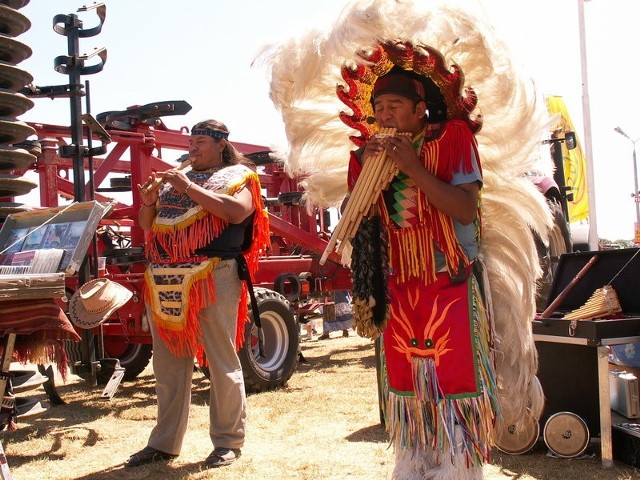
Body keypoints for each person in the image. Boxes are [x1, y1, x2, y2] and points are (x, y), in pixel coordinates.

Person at [345, 62, 497, 478]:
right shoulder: (365, 156)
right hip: (399, 285)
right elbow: (354, 224)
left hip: (449, 278)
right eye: (378, 106)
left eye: (395, 104)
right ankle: (413, 462)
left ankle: (458, 466)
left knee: (454, 382)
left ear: (420, 109)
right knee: (408, 381)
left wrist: (413, 167)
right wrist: (364, 181)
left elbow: (465, 209)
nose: (385, 114)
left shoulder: (455, 139)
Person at [125, 119, 269, 469]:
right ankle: (163, 443)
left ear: (221, 144)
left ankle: (228, 442)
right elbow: (148, 224)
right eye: (190, 142)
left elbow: (236, 212)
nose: (192, 148)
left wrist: (187, 186)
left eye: (201, 142)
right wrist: (148, 202)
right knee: (168, 363)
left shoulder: (239, 176)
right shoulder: (176, 182)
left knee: (220, 361)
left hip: (213, 273)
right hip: (167, 277)